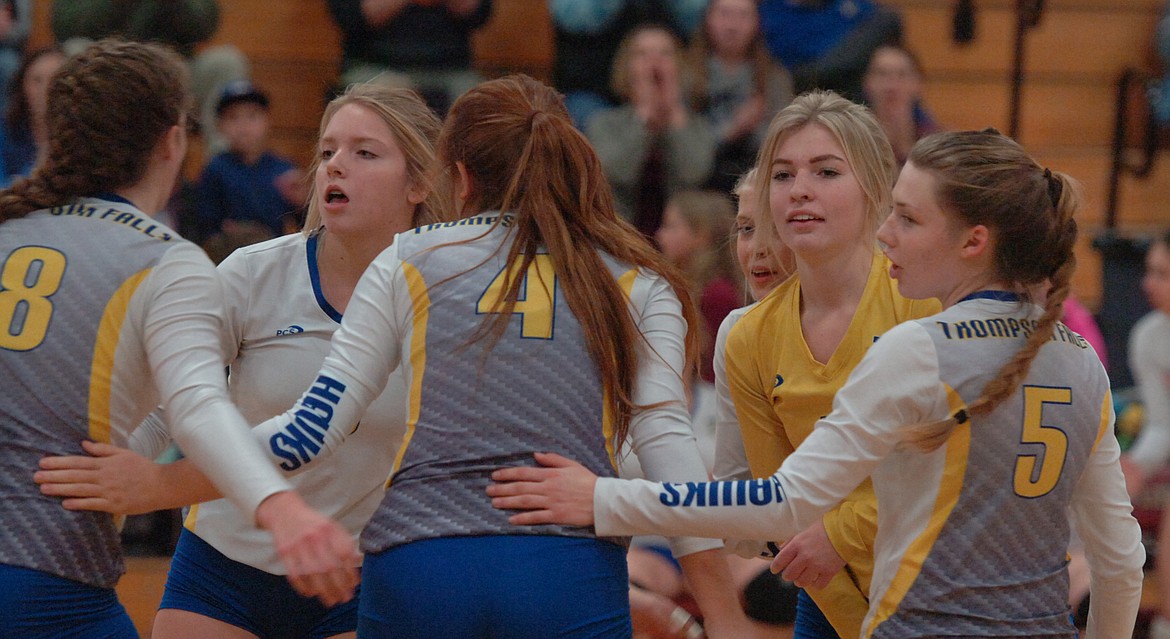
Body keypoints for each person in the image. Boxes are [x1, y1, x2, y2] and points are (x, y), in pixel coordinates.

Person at [488, 128, 1146, 638]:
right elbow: (1119, 562)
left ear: (974, 240)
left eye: (908, 220)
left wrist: (605, 498)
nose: (885, 233)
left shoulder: (917, 348)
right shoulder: (1079, 357)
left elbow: (784, 502)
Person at [204, 74, 750, 638]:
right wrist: (725, 612)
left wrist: (166, 480)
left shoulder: (407, 259)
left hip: (422, 568)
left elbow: (311, 432)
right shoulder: (638, 281)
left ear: (460, 177)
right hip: (565, 571)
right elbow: (671, 458)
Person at [35, 83, 442, 639]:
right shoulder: (253, 274)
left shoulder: (444, 300)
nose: (335, 168)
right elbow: (165, 403)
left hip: (354, 574)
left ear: (419, 182)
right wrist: (114, 481)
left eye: (364, 153)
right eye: (327, 152)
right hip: (222, 567)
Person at [0, 38, 358, 638]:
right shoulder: (163, 258)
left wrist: (135, 465)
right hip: (43, 574)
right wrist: (284, 509)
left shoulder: (11, 223)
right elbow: (197, 405)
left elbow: (161, 410)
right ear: (173, 141)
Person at [654, 90, 936, 639]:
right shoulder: (747, 335)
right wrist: (609, 501)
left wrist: (841, 535)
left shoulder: (926, 304)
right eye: (782, 176)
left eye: (826, 171)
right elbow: (770, 504)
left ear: (877, 188)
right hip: (829, 599)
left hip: (943, 593)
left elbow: (958, 477)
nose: (800, 189)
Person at [52, 0, 250, 155]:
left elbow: (206, 25)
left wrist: (175, 4)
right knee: (73, 51)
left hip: (174, 72)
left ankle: (223, 170)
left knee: (226, 62)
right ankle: (76, 159)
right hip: (111, 72)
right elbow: (64, 25)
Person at [588, 24, 717, 235]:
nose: (654, 62)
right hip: (619, 234)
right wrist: (644, 118)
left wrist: (674, 113)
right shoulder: (604, 123)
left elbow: (694, 174)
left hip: (682, 240)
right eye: (642, 54)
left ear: (680, 65)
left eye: (665, 54)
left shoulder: (698, 126)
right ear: (626, 66)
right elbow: (618, 171)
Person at [1119, 230, 1170, 639]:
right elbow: (1162, 423)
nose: (1147, 283)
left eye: (1163, 273)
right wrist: (1133, 465)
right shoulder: (1149, 337)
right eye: (1150, 271)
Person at [689, 0, 794, 193]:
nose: (732, 25)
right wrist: (732, 129)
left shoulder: (775, 79)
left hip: (758, 182)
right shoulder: (685, 76)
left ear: (758, 23)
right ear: (707, 20)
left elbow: (783, 145)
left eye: (743, 16)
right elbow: (684, 152)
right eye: (724, 14)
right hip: (698, 186)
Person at [549, 0, 706, 130]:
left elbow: (699, 16)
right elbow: (576, 18)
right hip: (595, 86)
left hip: (670, 86)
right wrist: (642, 117)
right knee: (582, 119)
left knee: (693, 115)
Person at [196, 79, 306, 260]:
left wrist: (302, 203)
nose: (243, 126)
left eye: (252, 116)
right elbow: (204, 227)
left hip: (273, 261)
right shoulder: (215, 170)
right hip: (228, 261)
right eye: (233, 117)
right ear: (220, 125)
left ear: (267, 120)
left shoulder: (284, 170)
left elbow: (304, 228)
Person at [326, 0, 493, 115]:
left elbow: (479, 13)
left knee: (477, 102)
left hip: (451, 69)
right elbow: (354, 17)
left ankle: (456, 166)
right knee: (391, 97)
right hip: (375, 67)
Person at [655, 189, 742, 383]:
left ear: (701, 234)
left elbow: (716, 373)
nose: (659, 235)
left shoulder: (718, 294)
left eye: (670, 226)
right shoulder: (682, 285)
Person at [758, 0, 903, 101]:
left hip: (855, 92)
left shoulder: (853, 6)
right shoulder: (771, 13)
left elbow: (890, 21)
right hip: (802, 96)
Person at [860, 43, 941, 167]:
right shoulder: (851, 139)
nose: (891, 86)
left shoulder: (937, 143)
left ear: (918, 84)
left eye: (902, 75)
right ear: (867, 83)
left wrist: (904, 148)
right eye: (882, 74)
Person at [2, 47, 65, 184]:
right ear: (22, 86)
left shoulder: (84, 134)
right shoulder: (5, 131)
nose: (46, 89)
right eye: (37, 81)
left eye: (55, 79)